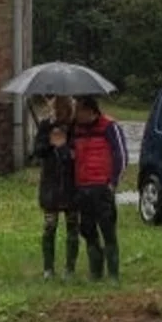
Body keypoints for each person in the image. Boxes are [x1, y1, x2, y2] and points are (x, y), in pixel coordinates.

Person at [70, 96, 127, 282]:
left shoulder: (109, 127)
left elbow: (121, 155)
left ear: (90, 111)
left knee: (108, 230)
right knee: (87, 230)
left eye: (79, 110)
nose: (76, 114)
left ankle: (113, 273)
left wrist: (113, 182)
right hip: (82, 187)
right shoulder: (75, 129)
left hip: (102, 187)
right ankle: (95, 271)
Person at [32, 96, 78, 280]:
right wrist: (50, 144)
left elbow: (78, 154)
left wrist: (64, 146)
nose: (59, 114)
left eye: (63, 111)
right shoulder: (45, 126)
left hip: (71, 183)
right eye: (56, 110)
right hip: (51, 183)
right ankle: (48, 268)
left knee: (73, 225)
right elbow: (37, 151)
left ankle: (70, 269)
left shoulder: (75, 129)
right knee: (50, 225)